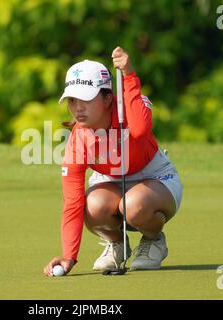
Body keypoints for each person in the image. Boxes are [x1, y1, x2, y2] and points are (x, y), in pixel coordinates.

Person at [43, 47, 183, 277]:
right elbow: (72, 203)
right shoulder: (78, 139)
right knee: (92, 205)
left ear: (108, 99)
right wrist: (69, 256)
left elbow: (139, 130)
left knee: (133, 204)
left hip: (155, 177)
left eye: (86, 100)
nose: (78, 108)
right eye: (72, 100)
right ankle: (116, 244)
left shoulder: (129, 108)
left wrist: (128, 73)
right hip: (110, 182)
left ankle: (153, 240)